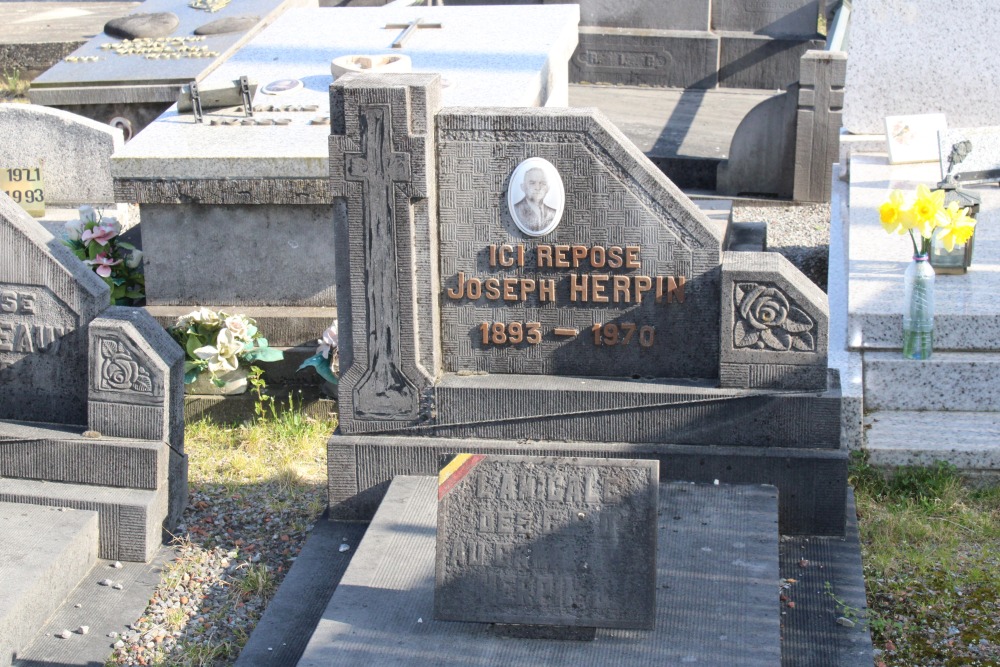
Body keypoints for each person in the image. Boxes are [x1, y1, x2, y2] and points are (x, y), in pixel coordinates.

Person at [512, 167, 557, 233]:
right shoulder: (516, 210)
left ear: (547, 188)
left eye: (542, 183)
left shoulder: (553, 213)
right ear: (523, 187)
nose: (538, 188)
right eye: (532, 183)